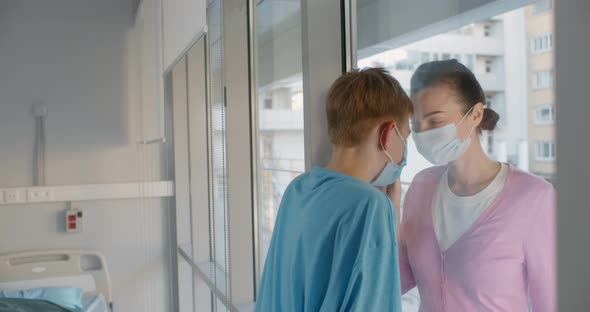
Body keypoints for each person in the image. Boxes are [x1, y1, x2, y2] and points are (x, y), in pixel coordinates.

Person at [398, 60, 556, 311]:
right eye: (416, 125)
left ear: (475, 114)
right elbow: (400, 278)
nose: (423, 133)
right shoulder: (421, 187)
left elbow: (550, 302)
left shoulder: (533, 197)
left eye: (435, 122)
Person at [255, 68, 412, 311]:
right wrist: (389, 212)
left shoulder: (298, 189)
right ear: (388, 133)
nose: (404, 151)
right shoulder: (369, 206)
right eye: (406, 138)